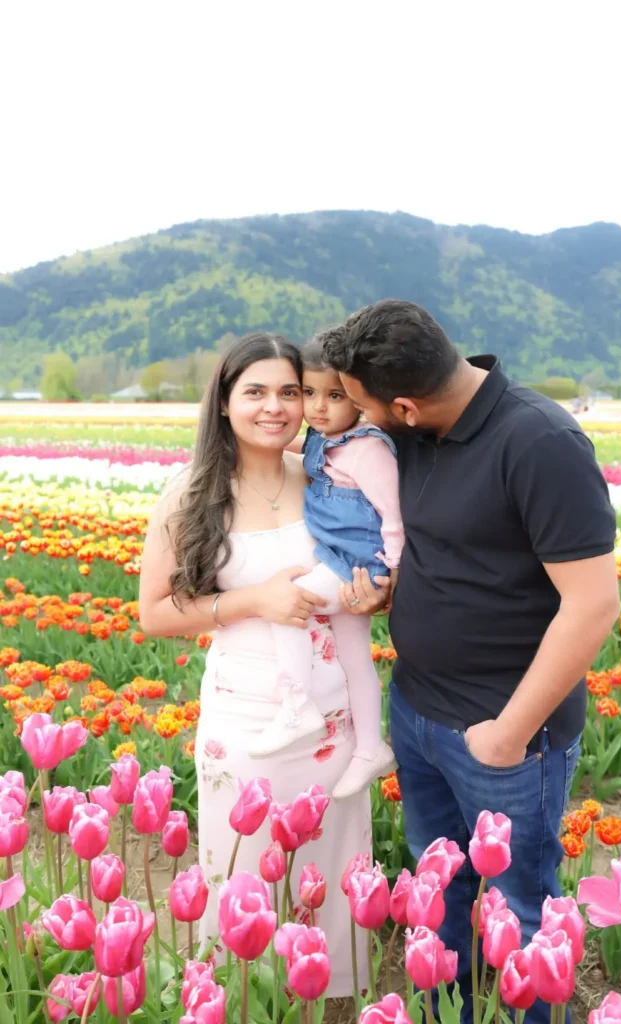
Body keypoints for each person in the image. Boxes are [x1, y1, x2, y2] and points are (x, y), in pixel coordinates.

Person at [320, 300, 620, 1024]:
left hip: (503, 733)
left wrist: (510, 732)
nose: (353, 419)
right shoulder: (416, 431)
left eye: (359, 406)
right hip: (418, 710)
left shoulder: (539, 441)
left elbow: (593, 604)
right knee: (435, 887)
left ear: (404, 404)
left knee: (520, 906)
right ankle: (440, 1011)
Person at [138, 333, 372, 997]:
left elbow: (364, 565)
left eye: (290, 392)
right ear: (223, 402)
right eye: (257, 392)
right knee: (246, 871)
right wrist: (253, 601)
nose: (276, 407)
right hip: (246, 716)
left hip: (333, 715)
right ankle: (242, 1000)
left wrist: (371, 592)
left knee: (326, 872)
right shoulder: (191, 492)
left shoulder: (324, 474)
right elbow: (154, 612)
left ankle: (325, 1000)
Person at [249, 335, 401, 800]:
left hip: (360, 566)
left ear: (358, 398)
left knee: (289, 603)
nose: (318, 408)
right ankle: (372, 748)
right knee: (357, 660)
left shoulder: (368, 450)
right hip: (338, 559)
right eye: (309, 394)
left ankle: (296, 704)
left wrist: (393, 576)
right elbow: (304, 449)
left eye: (334, 396)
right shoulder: (324, 439)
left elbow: (395, 517)